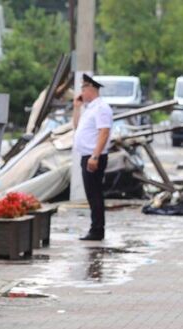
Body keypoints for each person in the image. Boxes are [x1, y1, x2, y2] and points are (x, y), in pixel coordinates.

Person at [73, 74, 113, 241]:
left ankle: (97, 230)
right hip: (87, 155)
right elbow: (76, 127)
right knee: (91, 194)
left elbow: (104, 132)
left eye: (83, 89)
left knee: (95, 194)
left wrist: (95, 156)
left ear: (91, 89)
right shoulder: (90, 108)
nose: (81, 92)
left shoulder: (102, 108)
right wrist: (76, 107)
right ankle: (95, 228)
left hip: (94, 156)